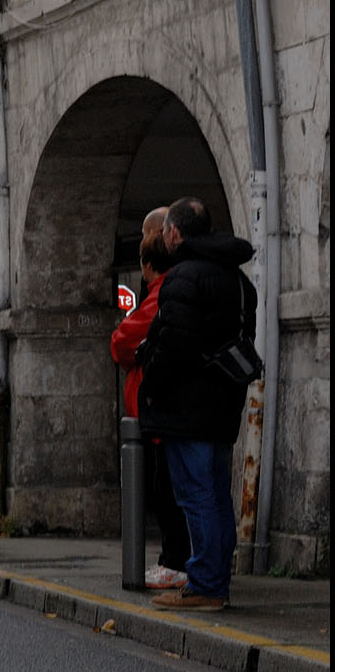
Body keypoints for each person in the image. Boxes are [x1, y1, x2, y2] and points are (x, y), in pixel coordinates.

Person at [139, 197, 258, 612]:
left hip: (187, 408)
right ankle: (215, 578)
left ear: (174, 233)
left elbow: (173, 343)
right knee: (216, 496)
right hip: (224, 404)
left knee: (195, 495)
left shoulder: (183, 277)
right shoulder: (239, 281)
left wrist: (151, 384)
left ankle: (205, 584)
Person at [110, 208, 189, 590]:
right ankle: (180, 560)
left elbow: (122, 341)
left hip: (161, 409)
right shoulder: (168, 289)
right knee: (173, 489)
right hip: (159, 410)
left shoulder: (164, 292)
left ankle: (177, 561)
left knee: (170, 492)